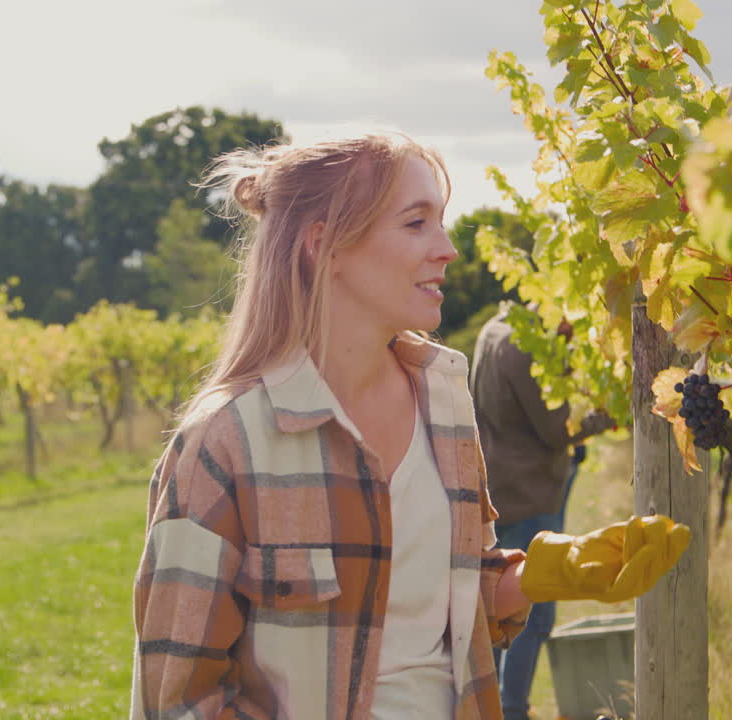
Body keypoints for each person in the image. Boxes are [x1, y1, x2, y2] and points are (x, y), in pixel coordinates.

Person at [130, 133, 690, 720]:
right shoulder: (225, 443)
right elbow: (180, 701)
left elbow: (440, 604)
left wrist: (552, 572)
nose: (447, 249)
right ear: (327, 246)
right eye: (416, 223)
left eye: (441, 222)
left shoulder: (444, 403)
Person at [471, 307, 616, 720]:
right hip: (530, 493)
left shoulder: (494, 330)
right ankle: (512, 710)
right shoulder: (526, 346)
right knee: (534, 613)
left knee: (500, 603)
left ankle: (495, 707)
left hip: (501, 487)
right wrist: (610, 414)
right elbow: (557, 431)